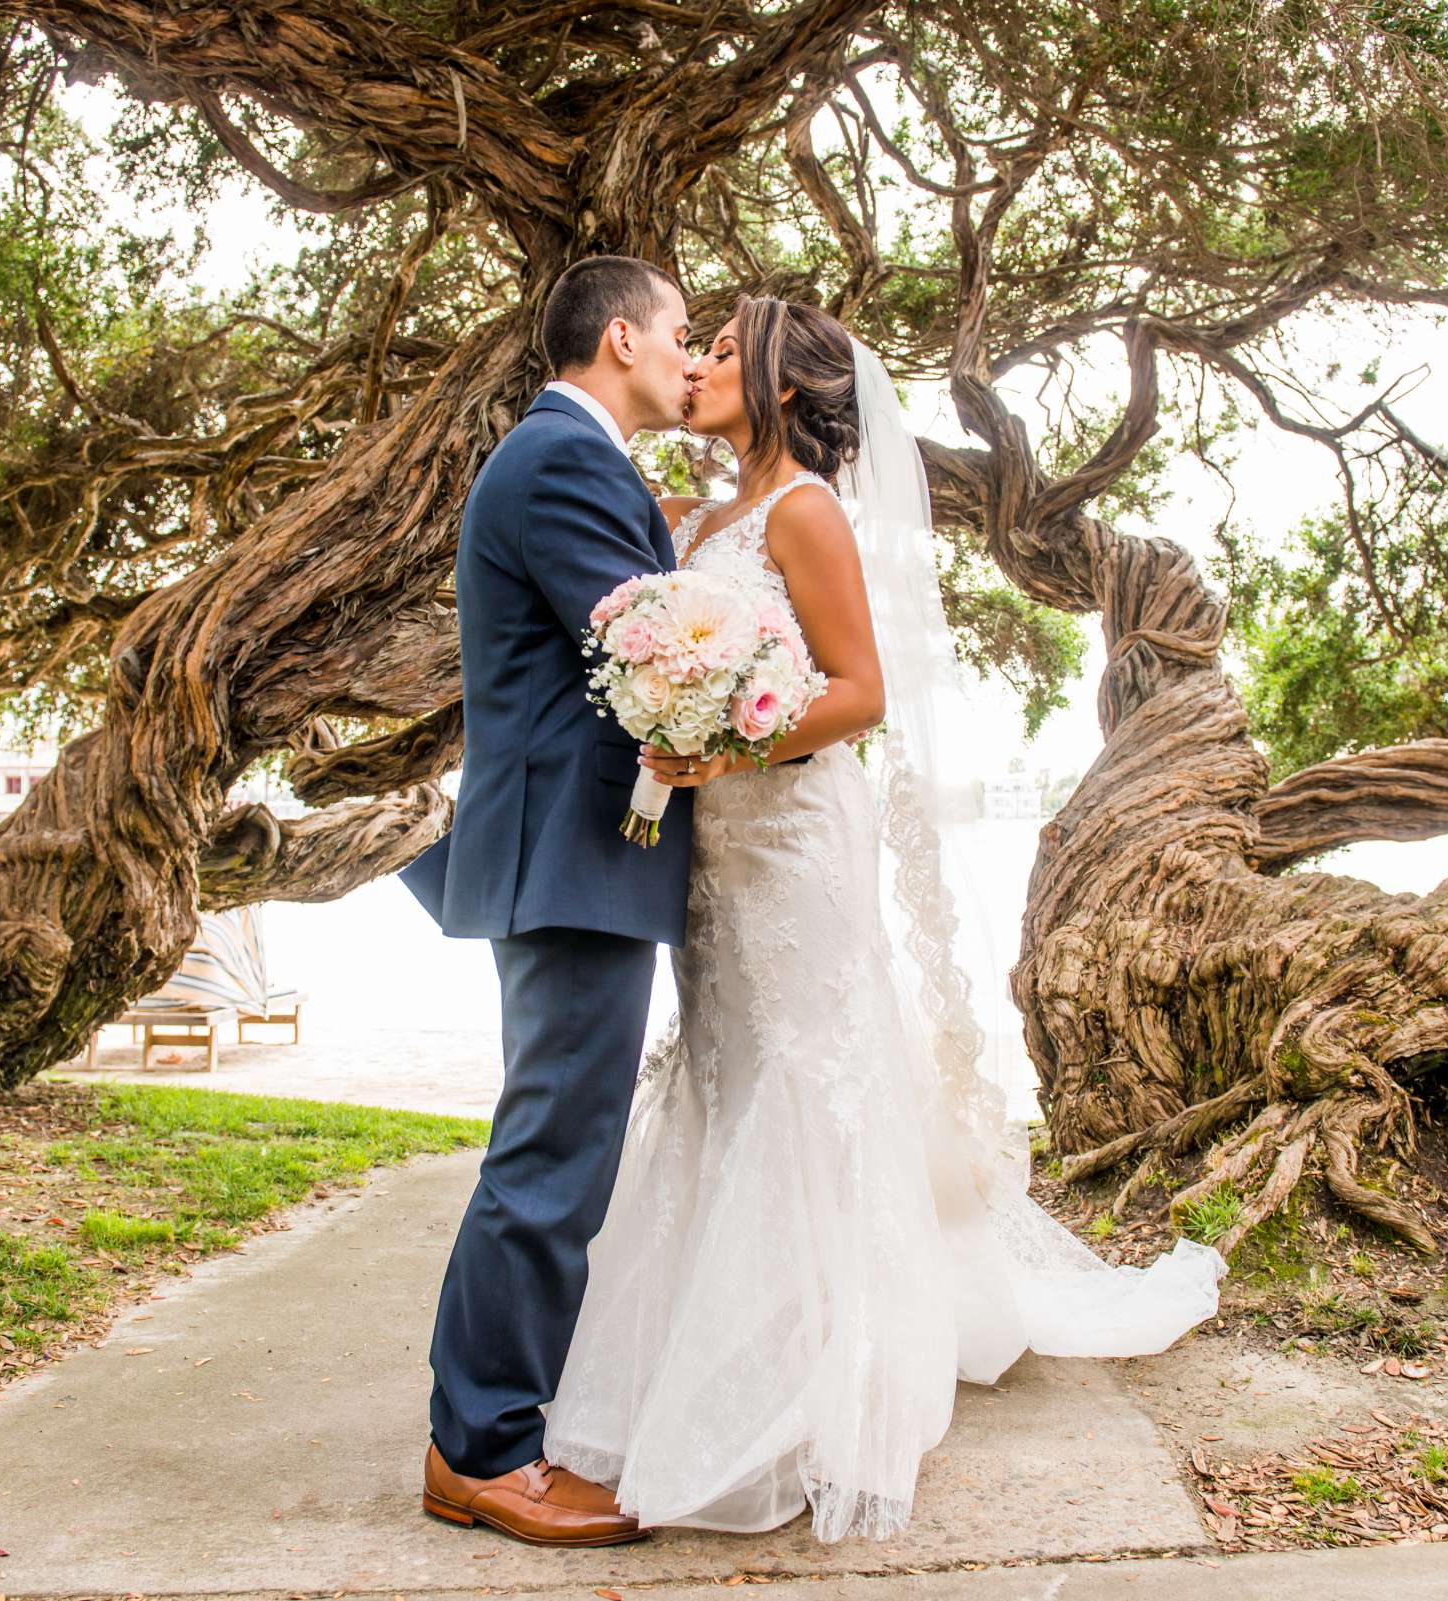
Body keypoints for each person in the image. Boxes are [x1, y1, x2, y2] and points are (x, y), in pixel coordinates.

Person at [535, 295, 1226, 1543]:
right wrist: (679, 722)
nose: (694, 364)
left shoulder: (804, 511)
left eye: (719, 350)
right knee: (725, 1080)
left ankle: (816, 1391)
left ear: (783, 387)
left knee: (805, 1081)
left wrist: (725, 739)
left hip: (794, 838)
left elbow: (860, 693)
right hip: (712, 850)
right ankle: (712, 1360)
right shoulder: (699, 518)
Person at [397, 254, 695, 1548]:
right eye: (682, 332)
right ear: (620, 337)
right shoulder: (565, 459)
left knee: (556, 1144)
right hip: (571, 859)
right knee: (552, 1155)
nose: (693, 357)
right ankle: (481, 1448)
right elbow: (652, 655)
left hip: (576, 855)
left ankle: (486, 1429)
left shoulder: (574, 459)